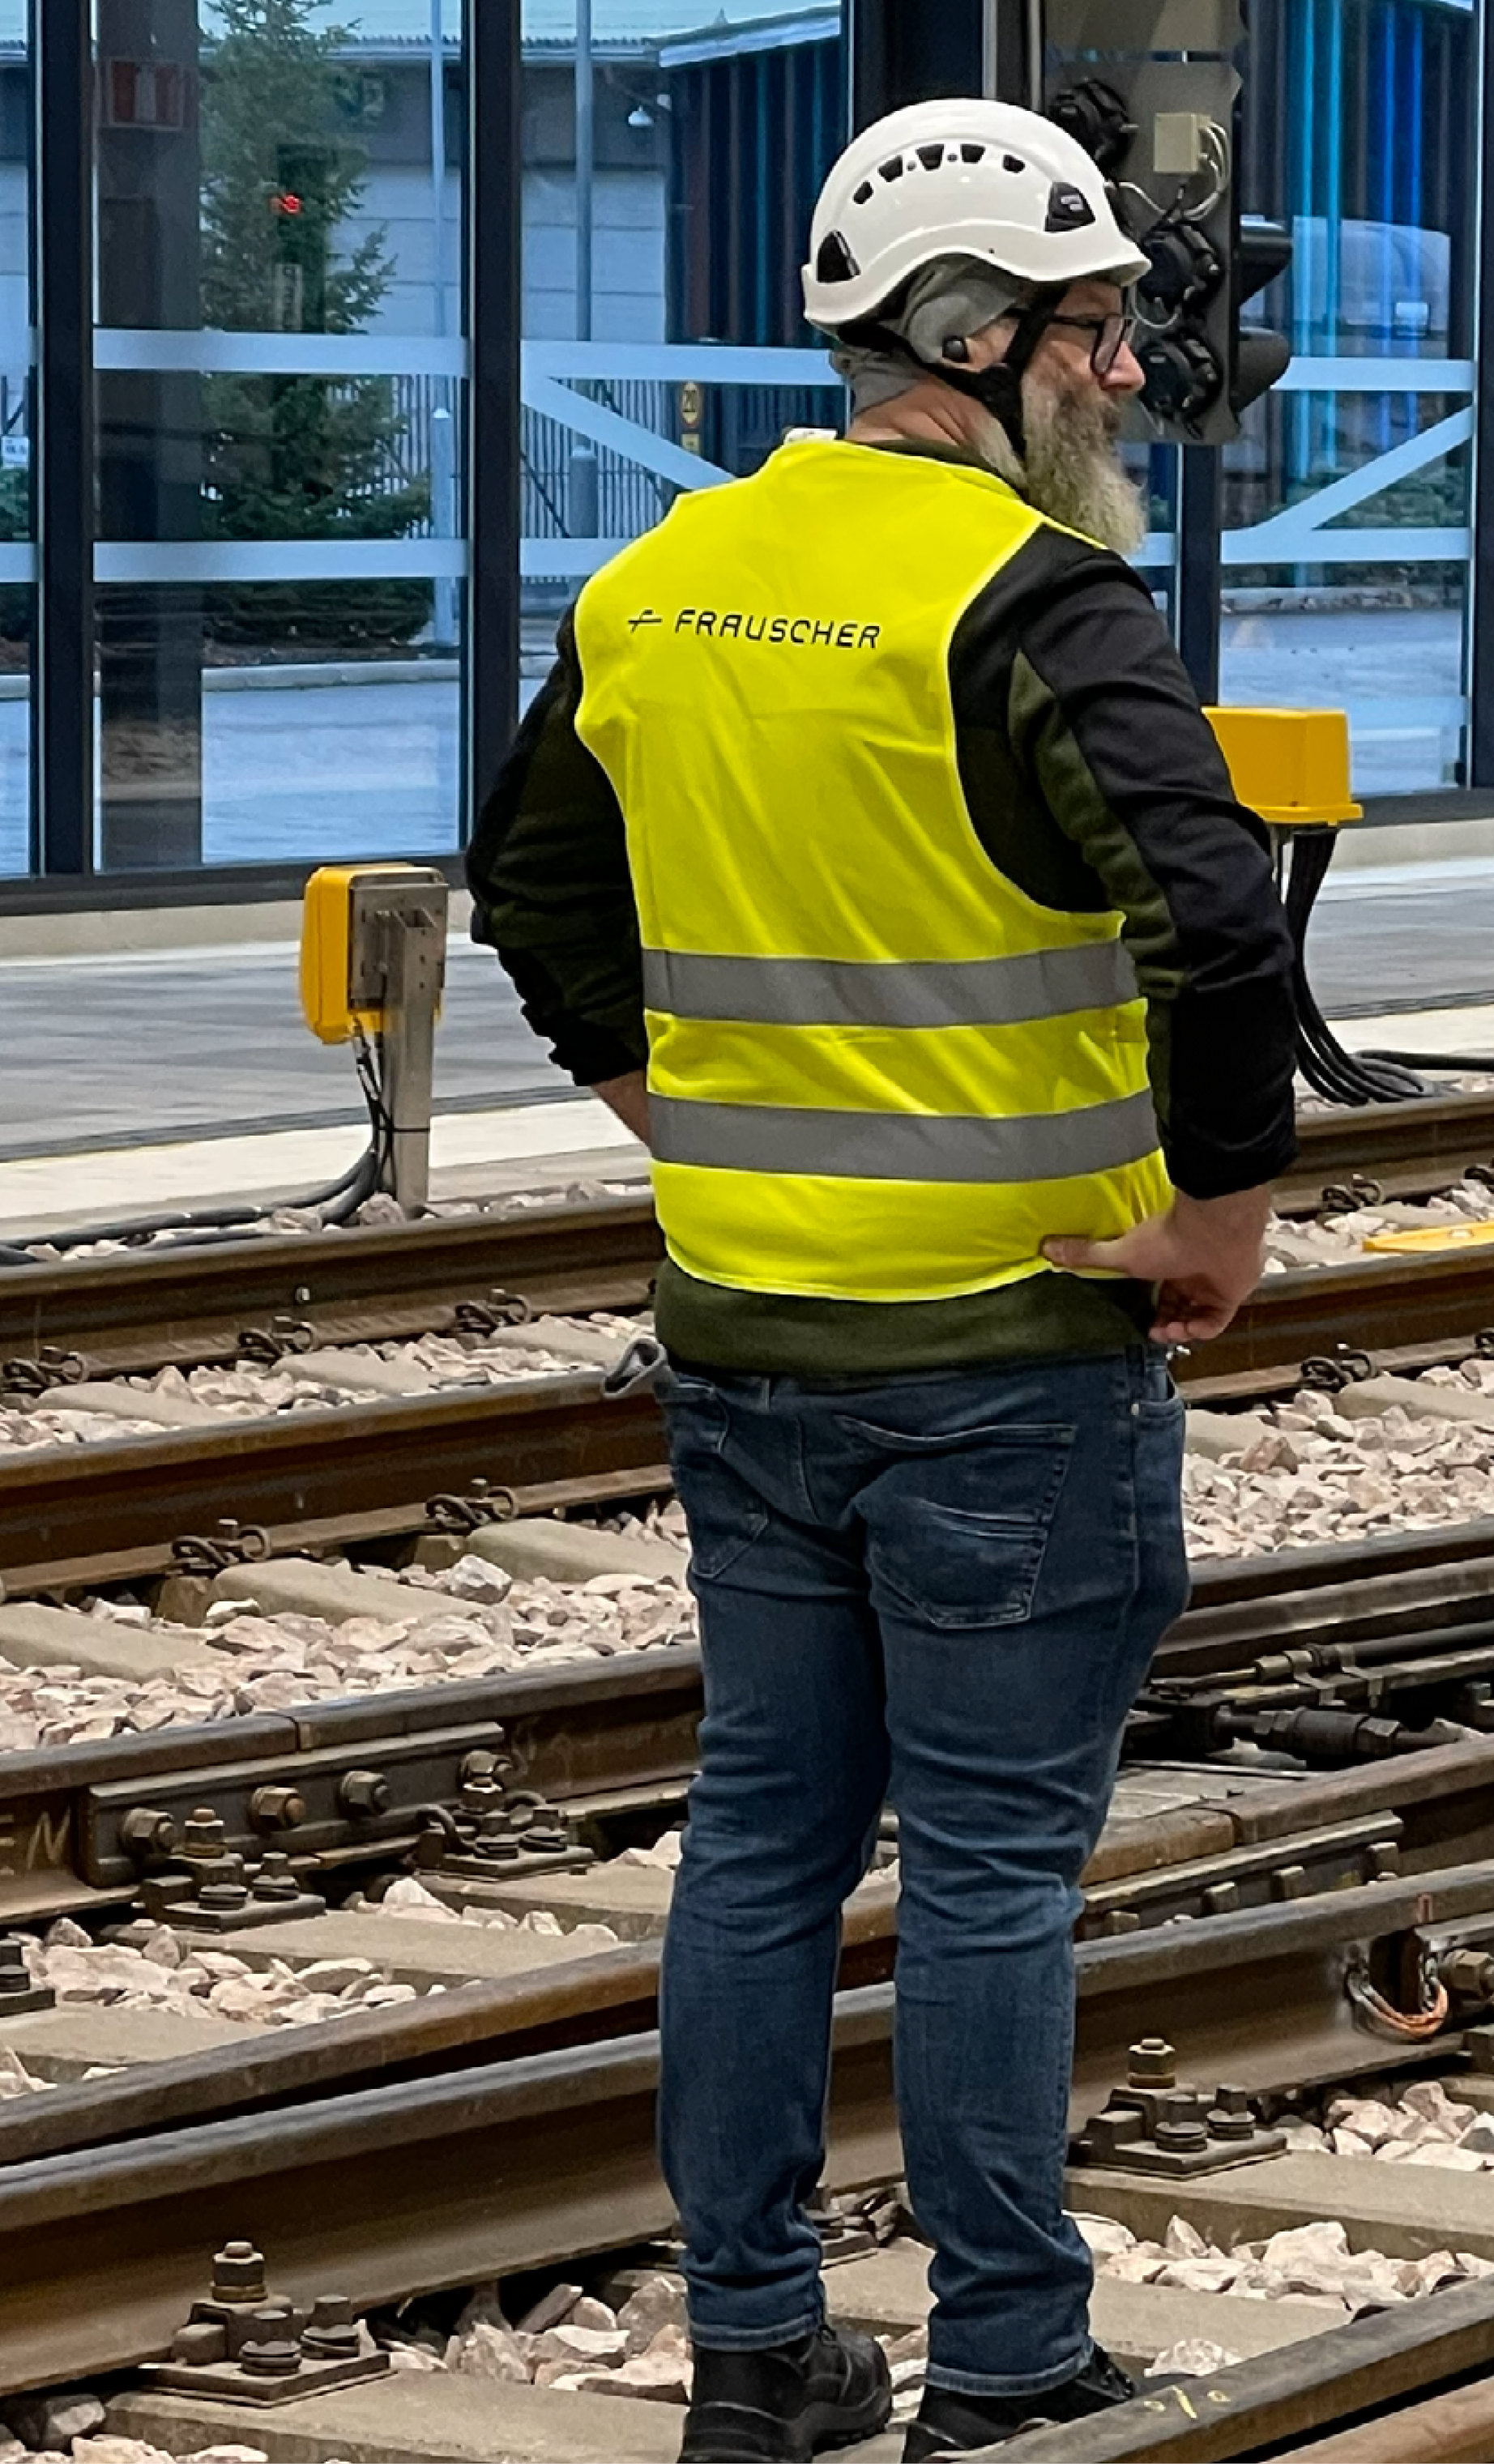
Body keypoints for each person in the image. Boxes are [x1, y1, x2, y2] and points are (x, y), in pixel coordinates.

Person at [464, 96, 1299, 2464]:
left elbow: (535, 893)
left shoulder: (656, 588)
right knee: (998, 1871)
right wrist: (1222, 1223)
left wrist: (668, 1121)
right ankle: (1009, 2362)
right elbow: (1218, 922)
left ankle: (757, 2354)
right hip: (1016, 1351)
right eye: (1099, 330)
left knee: (758, 1845)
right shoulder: (1027, 602)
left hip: (747, 1339)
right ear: (973, 339)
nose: (1128, 375)